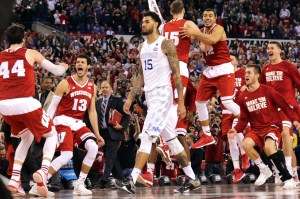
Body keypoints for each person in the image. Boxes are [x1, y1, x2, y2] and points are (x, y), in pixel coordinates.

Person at [113, 11, 201, 194]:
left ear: (155, 24)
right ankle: (193, 179)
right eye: (142, 21)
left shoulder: (165, 44)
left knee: (146, 136)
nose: (143, 24)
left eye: (146, 21)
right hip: (150, 96)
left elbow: (177, 74)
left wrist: (182, 102)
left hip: (163, 94)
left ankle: (131, 180)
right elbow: (140, 75)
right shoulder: (143, 47)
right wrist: (130, 97)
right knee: (172, 139)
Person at [0, 23, 68, 197]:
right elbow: (57, 71)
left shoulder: (0, 56)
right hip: (25, 102)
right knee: (51, 134)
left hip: (5, 105)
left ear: (7, 39)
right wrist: (64, 67)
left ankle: (15, 179)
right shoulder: (30, 53)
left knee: (26, 136)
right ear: (24, 39)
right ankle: (44, 171)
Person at [140, 0, 198, 185]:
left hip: (164, 69)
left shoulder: (164, 27)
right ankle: (166, 147)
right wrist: (195, 41)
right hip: (179, 67)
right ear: (184, 10)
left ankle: (162, 152)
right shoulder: (187, 24)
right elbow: (199, 37)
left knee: (164, 110)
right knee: (169, 110)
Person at [35, 54, 104, 196]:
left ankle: (80, 183)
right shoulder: (65, 83)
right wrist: (46, 125)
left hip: (78, 123)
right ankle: (41, 182)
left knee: (93, 147)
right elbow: (52, 107)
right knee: (67, 154)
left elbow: (92, 112)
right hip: (62, 121)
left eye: (83, 62)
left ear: (88, 66)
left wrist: (97, 134)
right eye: (77, 62)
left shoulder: (92, 86)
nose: (79, 64)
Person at [228, 64, 300, 189]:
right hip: (256, 129)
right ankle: (264, 169)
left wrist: (295, 119)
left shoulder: (267, 90)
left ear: (257, 75)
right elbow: (244, 118)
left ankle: (287, 178)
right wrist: (236, 129)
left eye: (249, 73)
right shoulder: (242, 96)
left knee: (269, 147)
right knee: (245, 144)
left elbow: (284, 105)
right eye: (245, 73)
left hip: (272, 126)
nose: (246, 75)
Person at [180, 8, 240, 148]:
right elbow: (202, 47)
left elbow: (212, 40)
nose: (207, 18)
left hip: (224, 68)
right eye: (205, 15)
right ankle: (207, 135)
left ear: (215, 18)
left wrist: (195, 33)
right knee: (199, 102)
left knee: (227, 102)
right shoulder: (201, 31)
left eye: (210, 16)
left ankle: (248, 120)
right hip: (210, 71)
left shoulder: (218, 29)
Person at [260, 41, 300, 183]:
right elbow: (261, 89)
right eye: (268, 48)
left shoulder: (289, 67)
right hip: (271, 110)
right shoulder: (265, 69)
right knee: (271, 143)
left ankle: (288, 169)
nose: (269, 50)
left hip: (287, 108)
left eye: (272, 48)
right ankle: (282, 170)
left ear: (279, 51)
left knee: (285, 134)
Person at [219, 55, 249, 183]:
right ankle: (237, 170)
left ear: (237, 61)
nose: (229, 61)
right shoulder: (222, 73)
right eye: (227, 59)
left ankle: (245, 154)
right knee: (231, 140)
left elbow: (256, 81)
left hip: (238, 107)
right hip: (226, 109)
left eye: (232, 59)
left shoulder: (243, 72)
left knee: (238, 132)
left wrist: (247, 85)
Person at [97, 81, 130, 188]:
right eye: (102, 87)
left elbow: (127, 115)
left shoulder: (117, 100)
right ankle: (121, 179)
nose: (104, 89)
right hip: (102, 133)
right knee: (111, 157)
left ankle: (104, 180)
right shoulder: (97, 102)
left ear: (111, 89)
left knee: (110, 156)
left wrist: (122, 126)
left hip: (114, 132)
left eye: (106, 87)